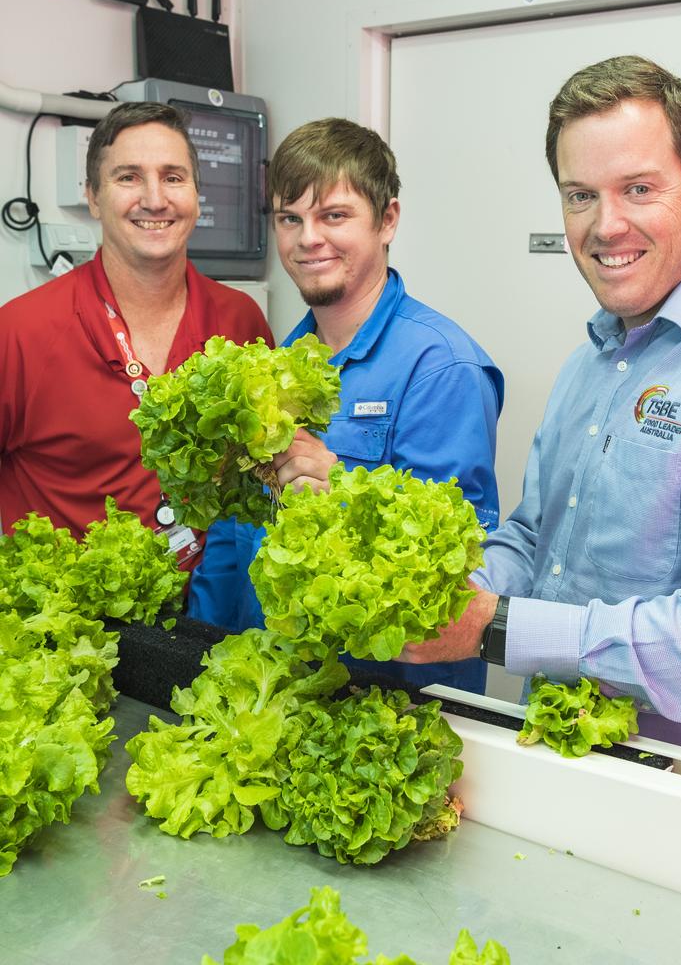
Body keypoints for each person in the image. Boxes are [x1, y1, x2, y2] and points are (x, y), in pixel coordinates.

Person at [402, 55, 681, 766]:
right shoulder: (592, 363)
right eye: (579, 196)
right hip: (560, 755)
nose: (607, 225)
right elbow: (535, 540)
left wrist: (495, 629)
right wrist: (449, 593)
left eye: (638, 188)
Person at [189, 117, 504, 693]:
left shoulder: (442, 366)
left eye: (333, 215)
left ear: (387, 221)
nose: (308, 238)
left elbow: (456, 569)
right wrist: (196, 652)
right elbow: (236, 538)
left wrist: (341, 484)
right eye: (290, 218)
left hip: (389, 709)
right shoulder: (282, 363)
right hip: (275, 688)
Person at [0, 102, 273, 568]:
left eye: (173, 177)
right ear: (92, 196)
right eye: (128, 177)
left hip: (209, 619)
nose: (154, 198)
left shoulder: (240, 322)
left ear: (196, 194)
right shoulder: (21, 332)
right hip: (75, 630)